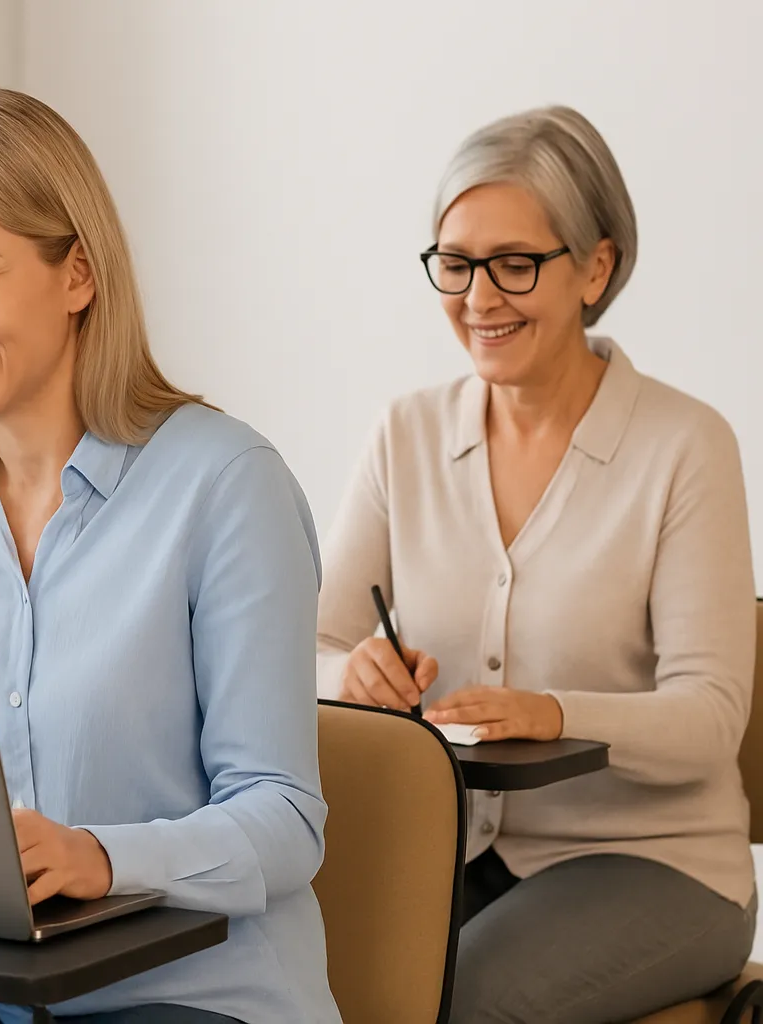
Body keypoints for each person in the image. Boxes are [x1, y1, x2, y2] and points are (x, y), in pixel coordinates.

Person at [0, 86, 339, 1024]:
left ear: (77, 275)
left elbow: (284, 816)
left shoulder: (227, 484)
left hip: (200, 995)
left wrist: (102, 857)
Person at [316, 105, 756, 1022]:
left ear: (596, 266)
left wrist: (550, 712)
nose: (479, 298)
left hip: (660, 865)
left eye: (515, 264)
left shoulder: (686, 447)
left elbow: (710, 719)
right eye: (455, 263)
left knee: (458, 1001)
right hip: (452, 852)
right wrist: (350, 673)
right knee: (283, 971)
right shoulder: (405, 434)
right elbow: (312, 645)